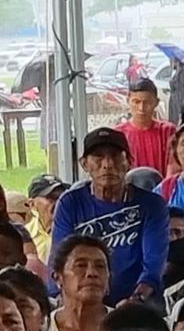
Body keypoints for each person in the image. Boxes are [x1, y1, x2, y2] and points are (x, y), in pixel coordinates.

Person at [49, 128, 166, 307]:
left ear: (129, 162)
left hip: (137, 302)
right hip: (80, 299)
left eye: (116, 156)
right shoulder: (70, 203)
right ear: (84, 164)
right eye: (98, 157)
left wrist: (136, 300)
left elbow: (153, 266)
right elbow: (60, 259)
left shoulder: (152, 205)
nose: (108, 164)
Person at [115, 77, 176, 174]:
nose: (141, 108)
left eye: (147, 102)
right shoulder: (118, 134)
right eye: (136, 102)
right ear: (128, 101)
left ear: (156, 103)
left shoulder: (167, 131)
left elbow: (173, 167)